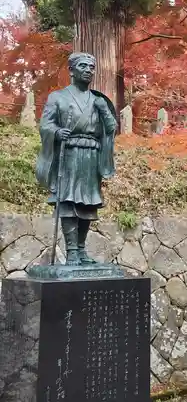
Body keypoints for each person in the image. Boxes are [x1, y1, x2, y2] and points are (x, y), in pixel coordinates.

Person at [36, 52, 117, 265]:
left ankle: (81, 250)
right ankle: (71, 251)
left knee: (88, 202)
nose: (88, 70)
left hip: (90, 155)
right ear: (71, 70)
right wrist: (56, 132)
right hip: (69, 153)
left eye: (91, 67)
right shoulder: (58, 97)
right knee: (69, 200)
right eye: (83, 66)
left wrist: (105, 111)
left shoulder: (98, 100)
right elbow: (45, 124)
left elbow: (111, 130)